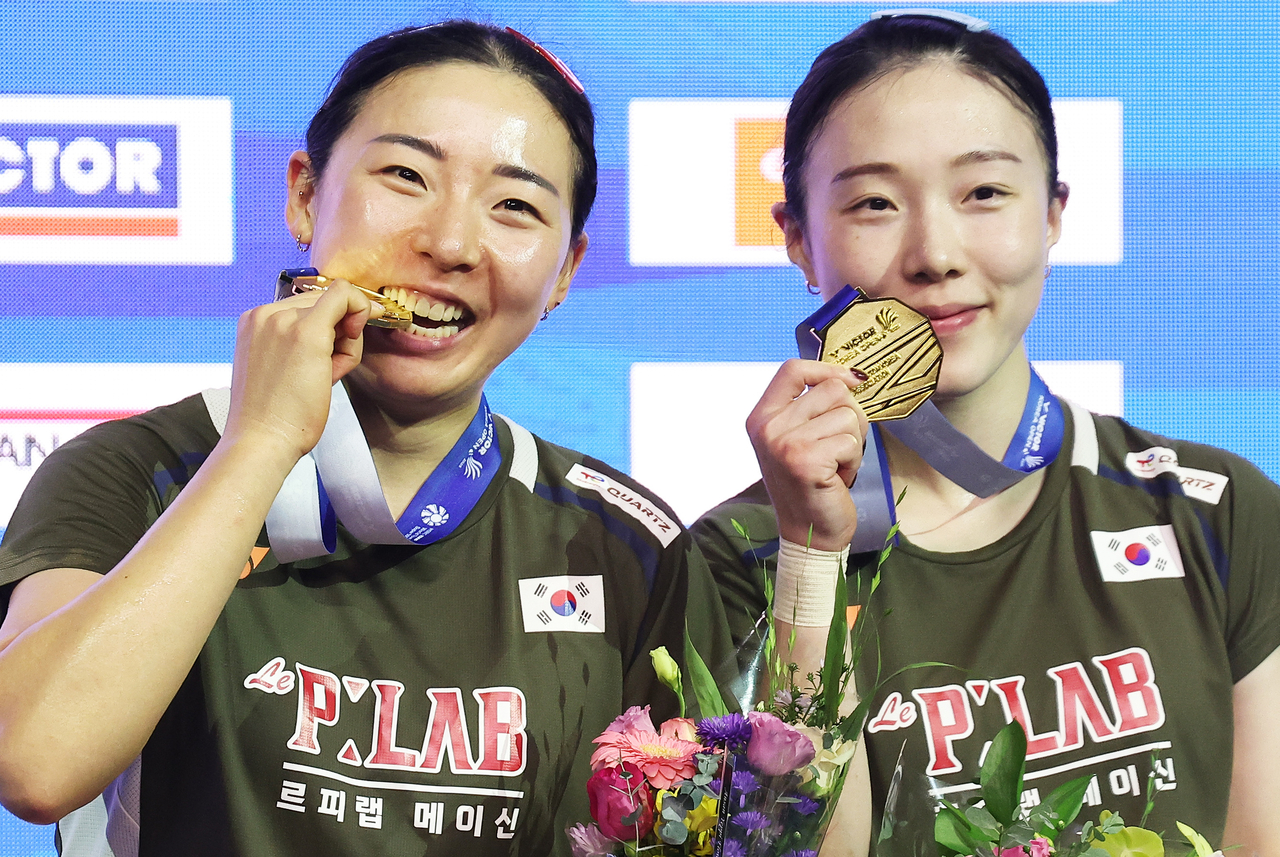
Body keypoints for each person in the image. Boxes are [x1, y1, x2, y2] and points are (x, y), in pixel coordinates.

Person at [0, 21, 734, 856]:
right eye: (406, 175)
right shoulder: (139, 470)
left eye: (516, 206)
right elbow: (33, 762)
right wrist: (261, 442)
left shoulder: (624, 545)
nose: (450, 243)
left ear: (566, 270)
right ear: (305, 195)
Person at [693, 10, 1280, 854]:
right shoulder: (733, 561)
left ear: (1051, 214)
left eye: (985, 193)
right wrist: (812, 559)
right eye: (874, 202)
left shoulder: (1216, 514)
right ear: (796, 240)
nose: (935, 252)